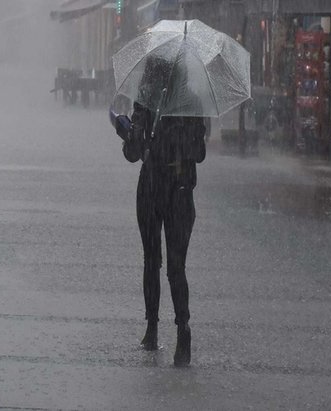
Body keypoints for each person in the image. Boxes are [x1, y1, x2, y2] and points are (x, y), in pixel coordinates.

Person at [110, 57, 207, 367]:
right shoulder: (189, 102)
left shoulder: (150, 100)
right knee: (173, 266)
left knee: (153, 261)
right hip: (178, 192)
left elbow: (132, 152)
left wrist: (130, 132)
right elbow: (200, 154)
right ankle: (178, 329)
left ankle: (157, 329)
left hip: (155, 187)